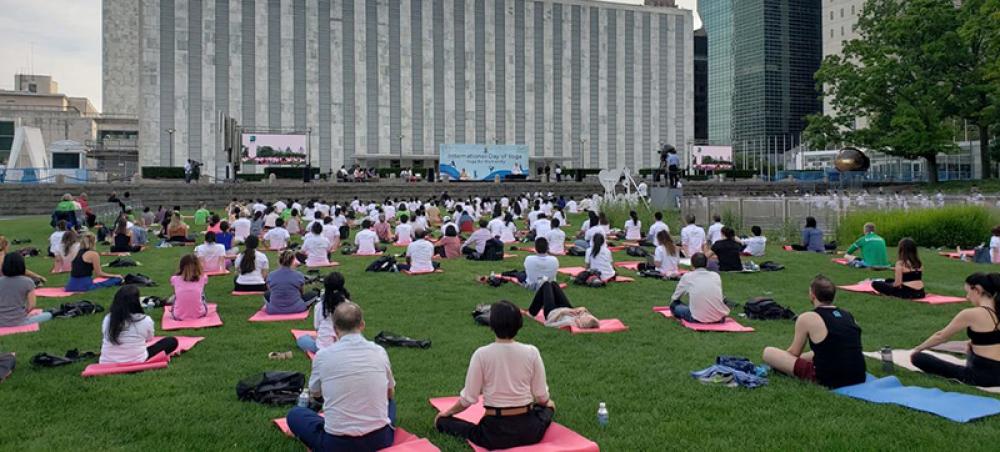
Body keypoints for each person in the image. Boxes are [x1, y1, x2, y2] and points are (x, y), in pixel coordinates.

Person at [435, 300, 554, 450]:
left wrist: (447, 413)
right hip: (529, 431)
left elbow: (468, 399)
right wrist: (548, 405)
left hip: (495, 433)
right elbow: (541, 396)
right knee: (546, 409)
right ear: (519, 324)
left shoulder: (481, 355)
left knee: (443, 422)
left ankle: (442, 422)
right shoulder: (532, 352)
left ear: (491, 325)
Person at [286, 302, 397, 451]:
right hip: (380, 439)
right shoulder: (379, 351)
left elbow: (315, 393)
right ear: (362, 325)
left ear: (335, 329)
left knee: (295, 414)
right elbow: (389, 393)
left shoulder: (323, 356)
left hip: (337, 444)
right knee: (391, 403)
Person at [761, 275, 866, 389]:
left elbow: (793, 353)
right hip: (859, 375)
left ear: (812, 295)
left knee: (768, 352)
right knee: (817, 352)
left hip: (829, 379)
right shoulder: (848, 315)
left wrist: (784, 361)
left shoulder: (808, 317)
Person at [910, 272, 1000, 387]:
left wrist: (917, 349)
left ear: (977, 290)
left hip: (982, 376)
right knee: (971, 345)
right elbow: (991, 338)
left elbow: (941, 336)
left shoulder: (971, 314)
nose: (967, 297)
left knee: (918, 358)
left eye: (968, 292)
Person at [100, 285, 178, 364]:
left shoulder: (108, 318)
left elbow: (106, 335)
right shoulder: (145, 320)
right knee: (172, 341)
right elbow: (149, 338)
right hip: (136, 359)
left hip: (107, 360)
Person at [297, 272, 351, 354]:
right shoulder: (349, 305)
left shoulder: (320, 306)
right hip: (344, 344)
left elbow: (317, 327)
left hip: (325, 346)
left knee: (302, 339)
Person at [668, 253, 728, 323]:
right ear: (707, 264)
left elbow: (675, 297)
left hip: (698, 318)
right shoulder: (716, 276)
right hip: (719, 318)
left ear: (692, 265)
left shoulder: (688, 277)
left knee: (674, 305)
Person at [0, 253, 53, 327]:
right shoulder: (27, 282)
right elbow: (32, 305)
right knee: (48, 315)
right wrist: (24, 313)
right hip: (19, 320)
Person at [527, 281, 599, 329]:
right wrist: (584, 309)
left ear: (582, 323)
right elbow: (595, 321)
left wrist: (562, 312)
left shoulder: (569, 323)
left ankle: (532, 312)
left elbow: (548, 324)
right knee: (553, 283)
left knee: (546, 285)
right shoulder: (582, 318)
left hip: (552, 312)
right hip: (567, 308)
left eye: (585, 316)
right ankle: (532, 310)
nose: (584, 314)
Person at [168, 254, 209, 321]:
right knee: (201, 293)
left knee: (177, 295)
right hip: (200, 313)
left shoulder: (174, 279)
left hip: (178, 315)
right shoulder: (203, 278)